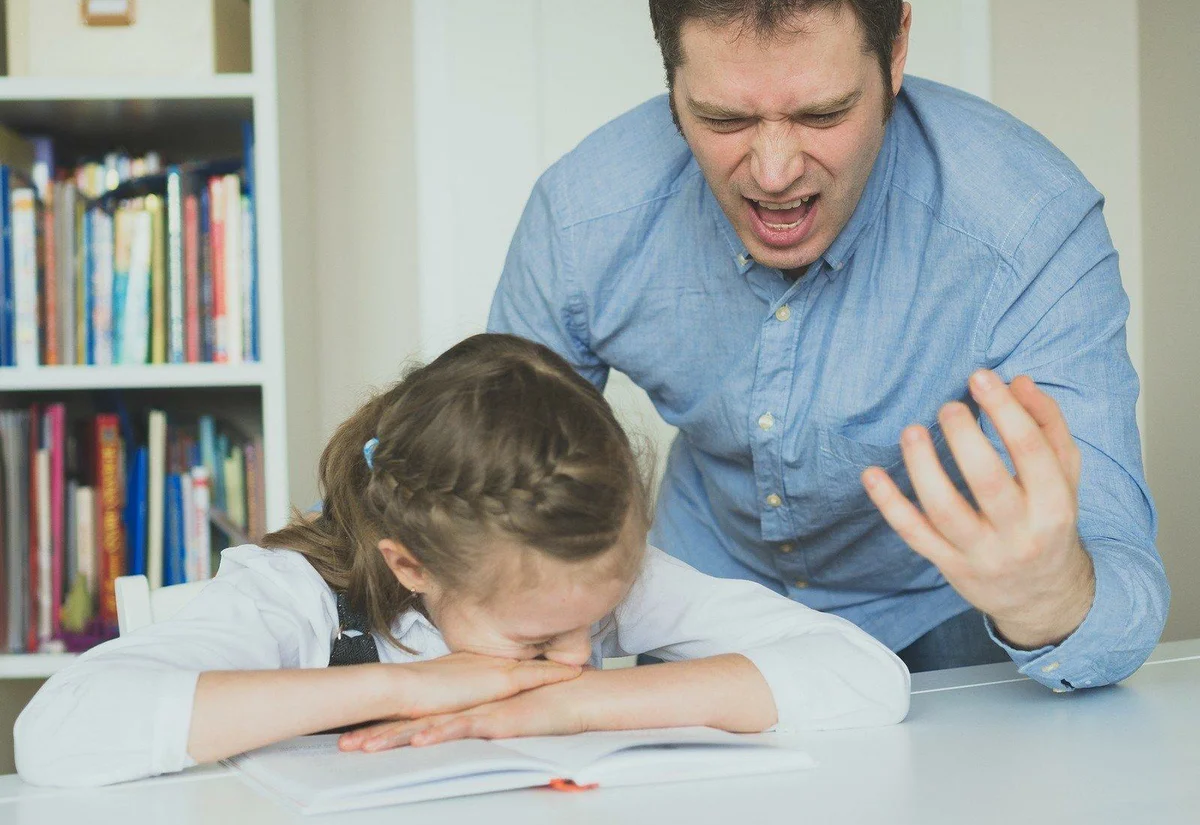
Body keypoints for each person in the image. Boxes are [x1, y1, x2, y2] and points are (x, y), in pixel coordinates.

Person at [488, 1, 1167, 684]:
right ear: (672, 79)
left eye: (822, 115)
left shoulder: (1028, 224)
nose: (775, 173)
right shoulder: (582, 217)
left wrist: (1050, 599)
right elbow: (491, 484)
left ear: (896, 48)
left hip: (948, 603)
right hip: (708, 593)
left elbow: (1119, 573)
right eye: (726, 119)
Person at [15, 334, 908, 788]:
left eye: (588, 626)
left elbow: (867, 677)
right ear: (411, 566)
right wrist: (410, 687)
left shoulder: (580, 579)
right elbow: (56, 732)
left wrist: (581, 700)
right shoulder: (297, 598)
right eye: (540, 640)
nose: (575, 652)